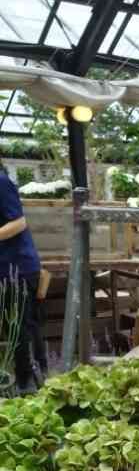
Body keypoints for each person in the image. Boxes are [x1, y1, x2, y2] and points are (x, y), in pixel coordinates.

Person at [0, 166, 45, 393]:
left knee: (20, 328)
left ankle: (29, 385)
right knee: (14, 327)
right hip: (5, 269)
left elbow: (18, 222)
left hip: (17, 268)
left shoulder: (1, 182)